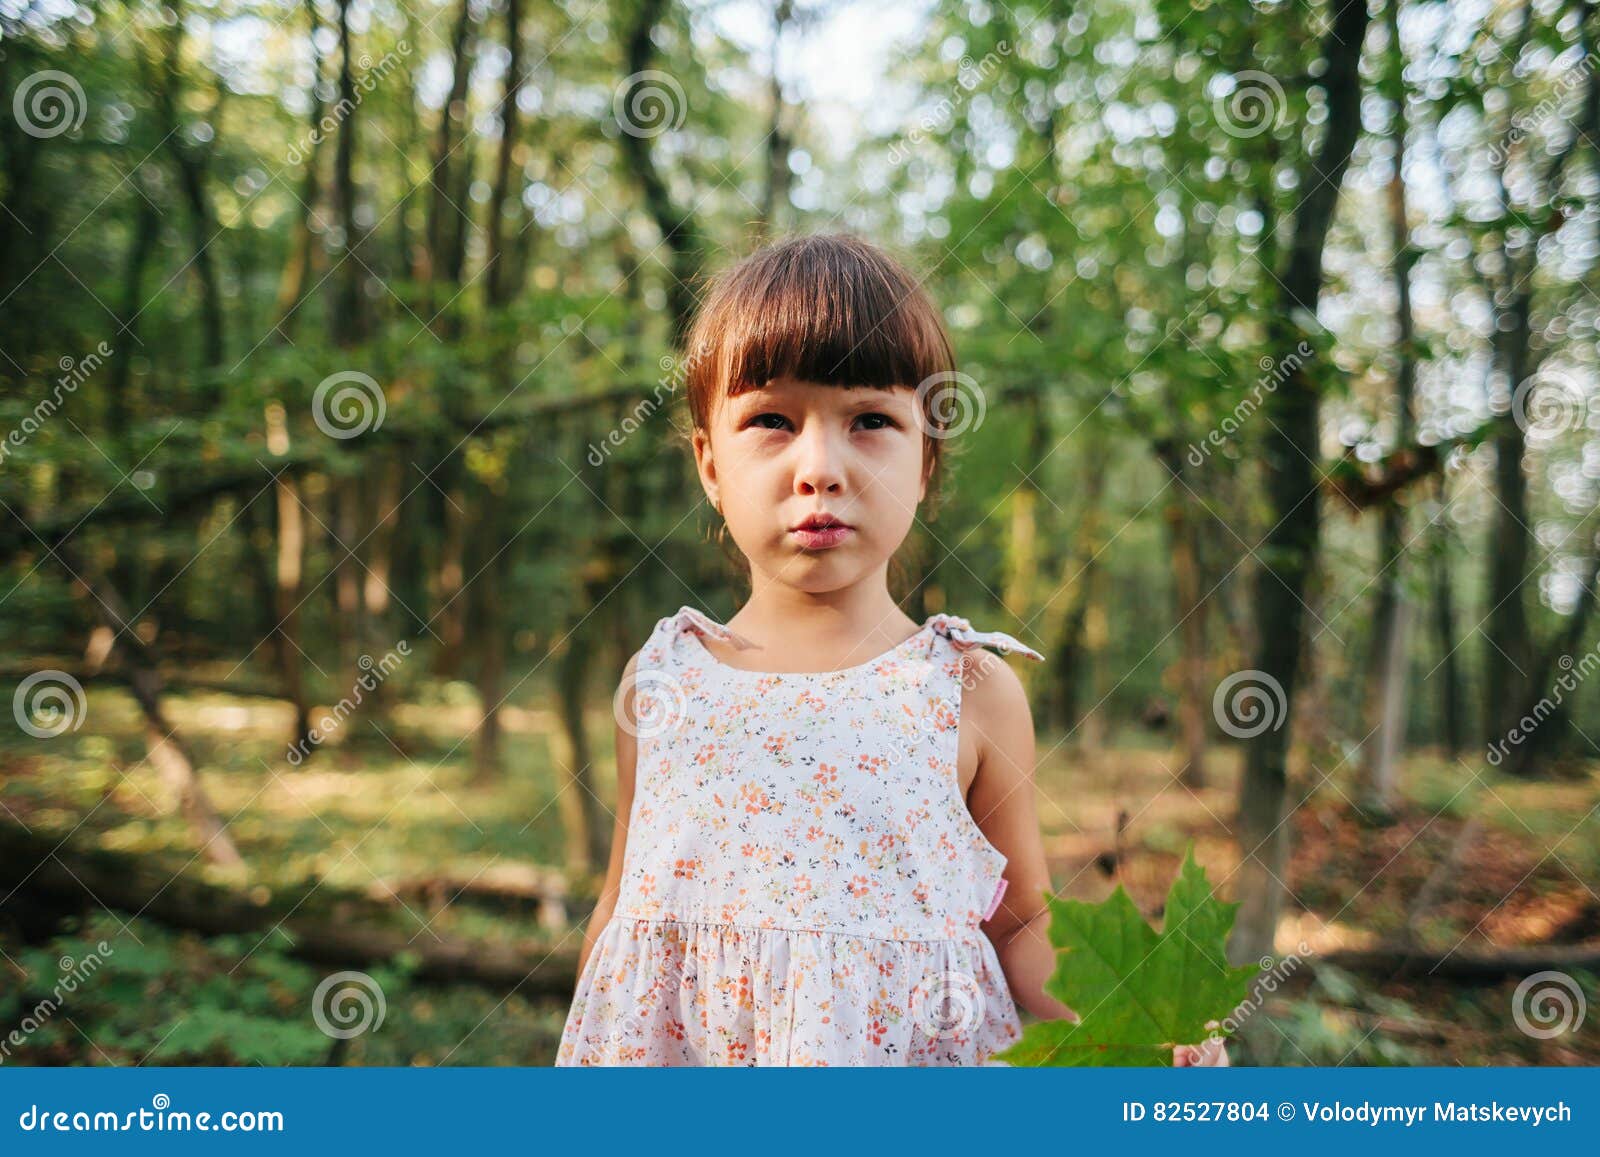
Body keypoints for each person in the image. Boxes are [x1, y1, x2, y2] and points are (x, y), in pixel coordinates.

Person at [556, 233, 1228, 1068]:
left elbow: (1023, 924)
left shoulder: (969, 689)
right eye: (771, 420)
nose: (820, 467)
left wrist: (1141, 1020)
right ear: (710, 466)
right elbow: (621, 912)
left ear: (926, 463)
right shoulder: (663, 682)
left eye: (871, 421)